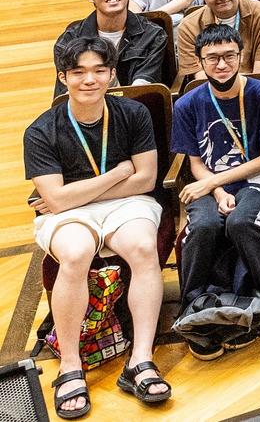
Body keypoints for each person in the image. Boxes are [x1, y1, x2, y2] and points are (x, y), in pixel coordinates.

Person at [30, 37, 170, 417]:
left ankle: (140, 359)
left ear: (112, 74)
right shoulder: (41, 130)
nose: (88, 80)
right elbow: (55, 203)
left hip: (126, 203)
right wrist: (119, 171)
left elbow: (146, 180)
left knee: (142, 249)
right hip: (68, 215)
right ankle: (71, 365)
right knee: (75, 253)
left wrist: (78, 193)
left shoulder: (133, 114)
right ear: (63, 77)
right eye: (78, 72)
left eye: (98, 71)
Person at [171, 24, 260, 352]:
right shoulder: (187, 104)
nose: (222, 65)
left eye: (229, 56)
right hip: (211, 185)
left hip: (259, 181)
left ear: (242, 56)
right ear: (198, 61)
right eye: (212, 58)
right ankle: (193, 306)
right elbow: (195, 162)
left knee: (242, 223)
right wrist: (216, 191)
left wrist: (212, 182)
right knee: (202, 227)